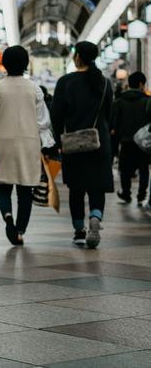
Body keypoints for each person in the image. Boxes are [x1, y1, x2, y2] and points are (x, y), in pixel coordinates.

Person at [0, 46, 55, 246]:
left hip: (4, 143)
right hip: (29, 144)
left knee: (3, 186)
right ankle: (20, 231)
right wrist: (47, 145)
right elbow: (43, 122)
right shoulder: (34, 89)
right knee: (25, 190)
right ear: (26, 64)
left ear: (4, 63)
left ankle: (7, 216)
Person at [50, 41, 113, 249]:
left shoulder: (65, 82)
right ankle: (95, 216)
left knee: (76, 189)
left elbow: (56, 116)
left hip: (74, 144)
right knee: (97, 187)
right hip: (99, 142)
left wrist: (56, 142)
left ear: (77, 57)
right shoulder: (104, 83)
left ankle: (79, 230)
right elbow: (109, 115)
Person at [112, 71, 150, 206]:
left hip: (125, 141)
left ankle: (126, 193)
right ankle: (141, 195)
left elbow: (114, 124)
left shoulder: (119, 102)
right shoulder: (147, 101)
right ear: (141, 84)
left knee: (125, 169)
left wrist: (115, 145)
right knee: (143, 169)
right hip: (143, 142)